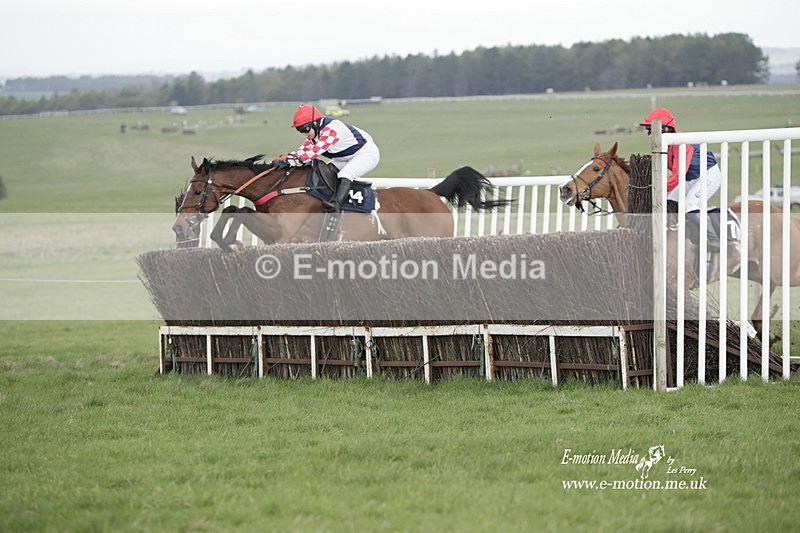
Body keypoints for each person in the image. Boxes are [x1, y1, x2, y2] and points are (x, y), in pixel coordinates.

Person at [640, 107, 725, 251]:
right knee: (671, 203)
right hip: (689, 178)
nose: (649, 134)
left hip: (708, 175)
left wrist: (658, 190)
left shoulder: (681, 145)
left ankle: (713, 240)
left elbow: (677, 175)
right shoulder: (665, 145)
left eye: (651, 130)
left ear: (666, 129)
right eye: (648, 130)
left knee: (690, 205)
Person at [273, 104, 380, 212]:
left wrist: (291, 161)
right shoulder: (315, 133)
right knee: (327, 171)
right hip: (344, 157)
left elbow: (314, 152)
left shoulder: (332, 129)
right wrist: (287, 157)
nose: (304, 134)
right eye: (300, 130)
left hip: (366, 154)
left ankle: (336, 205)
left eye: (305, 129)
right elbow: (303, 150)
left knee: (345, 174)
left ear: (315, 123)